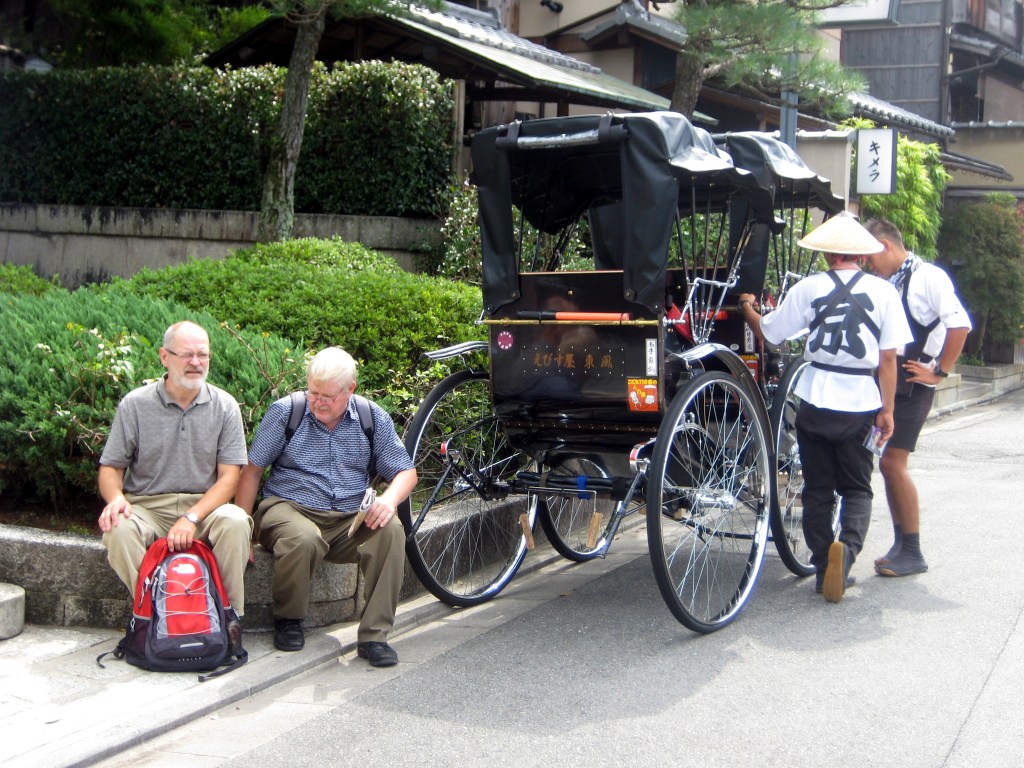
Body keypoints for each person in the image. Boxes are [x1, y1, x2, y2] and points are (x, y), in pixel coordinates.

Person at [738, 212, 912, 603]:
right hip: (860, 402)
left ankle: (822, 568)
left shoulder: (809, 288)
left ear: (828, 254)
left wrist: (748, 307)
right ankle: (844, 554)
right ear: (862, 256)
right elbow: (888, 360)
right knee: (857, 489)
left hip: (815, 399)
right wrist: (887, 411)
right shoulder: (885, 293)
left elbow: (770, 332)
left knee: (817, 490)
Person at [235, 347, 417, 667]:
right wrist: (245, 531)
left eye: (328, 396)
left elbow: (406, 472)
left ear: (350, 389)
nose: (318, 402)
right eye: (313, 393)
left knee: (390, 530)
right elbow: (252, 471)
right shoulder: (286, 412)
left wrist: (388, 500)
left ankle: (374, 637)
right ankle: (288, 620)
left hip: (348, 518)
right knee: (303, 537)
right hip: (289, 508)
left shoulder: (371, 417)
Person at [98, 320, 252, 620]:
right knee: (117, 528)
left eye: (203, 354)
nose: (196, 362)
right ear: (164, 357)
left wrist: (192, 517)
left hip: (204, 510)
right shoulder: (135, 405)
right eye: (187, 354)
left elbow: (230, 478)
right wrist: (116, 499)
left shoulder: (225, 406)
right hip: (148, 508)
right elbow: (110, 468)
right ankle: (156, 615)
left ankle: (228, 618)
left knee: (235, 521)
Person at [864, 218, 972, 577]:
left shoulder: (928, 277)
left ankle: (912, 550)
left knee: (893, 463)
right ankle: (901, 546)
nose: (868, 265)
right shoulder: (886, 281)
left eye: (870, 257)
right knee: (886, 464)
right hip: (889, 381)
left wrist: (940, 371)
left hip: (913, 383)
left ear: (885, 246)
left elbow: (960, 325)